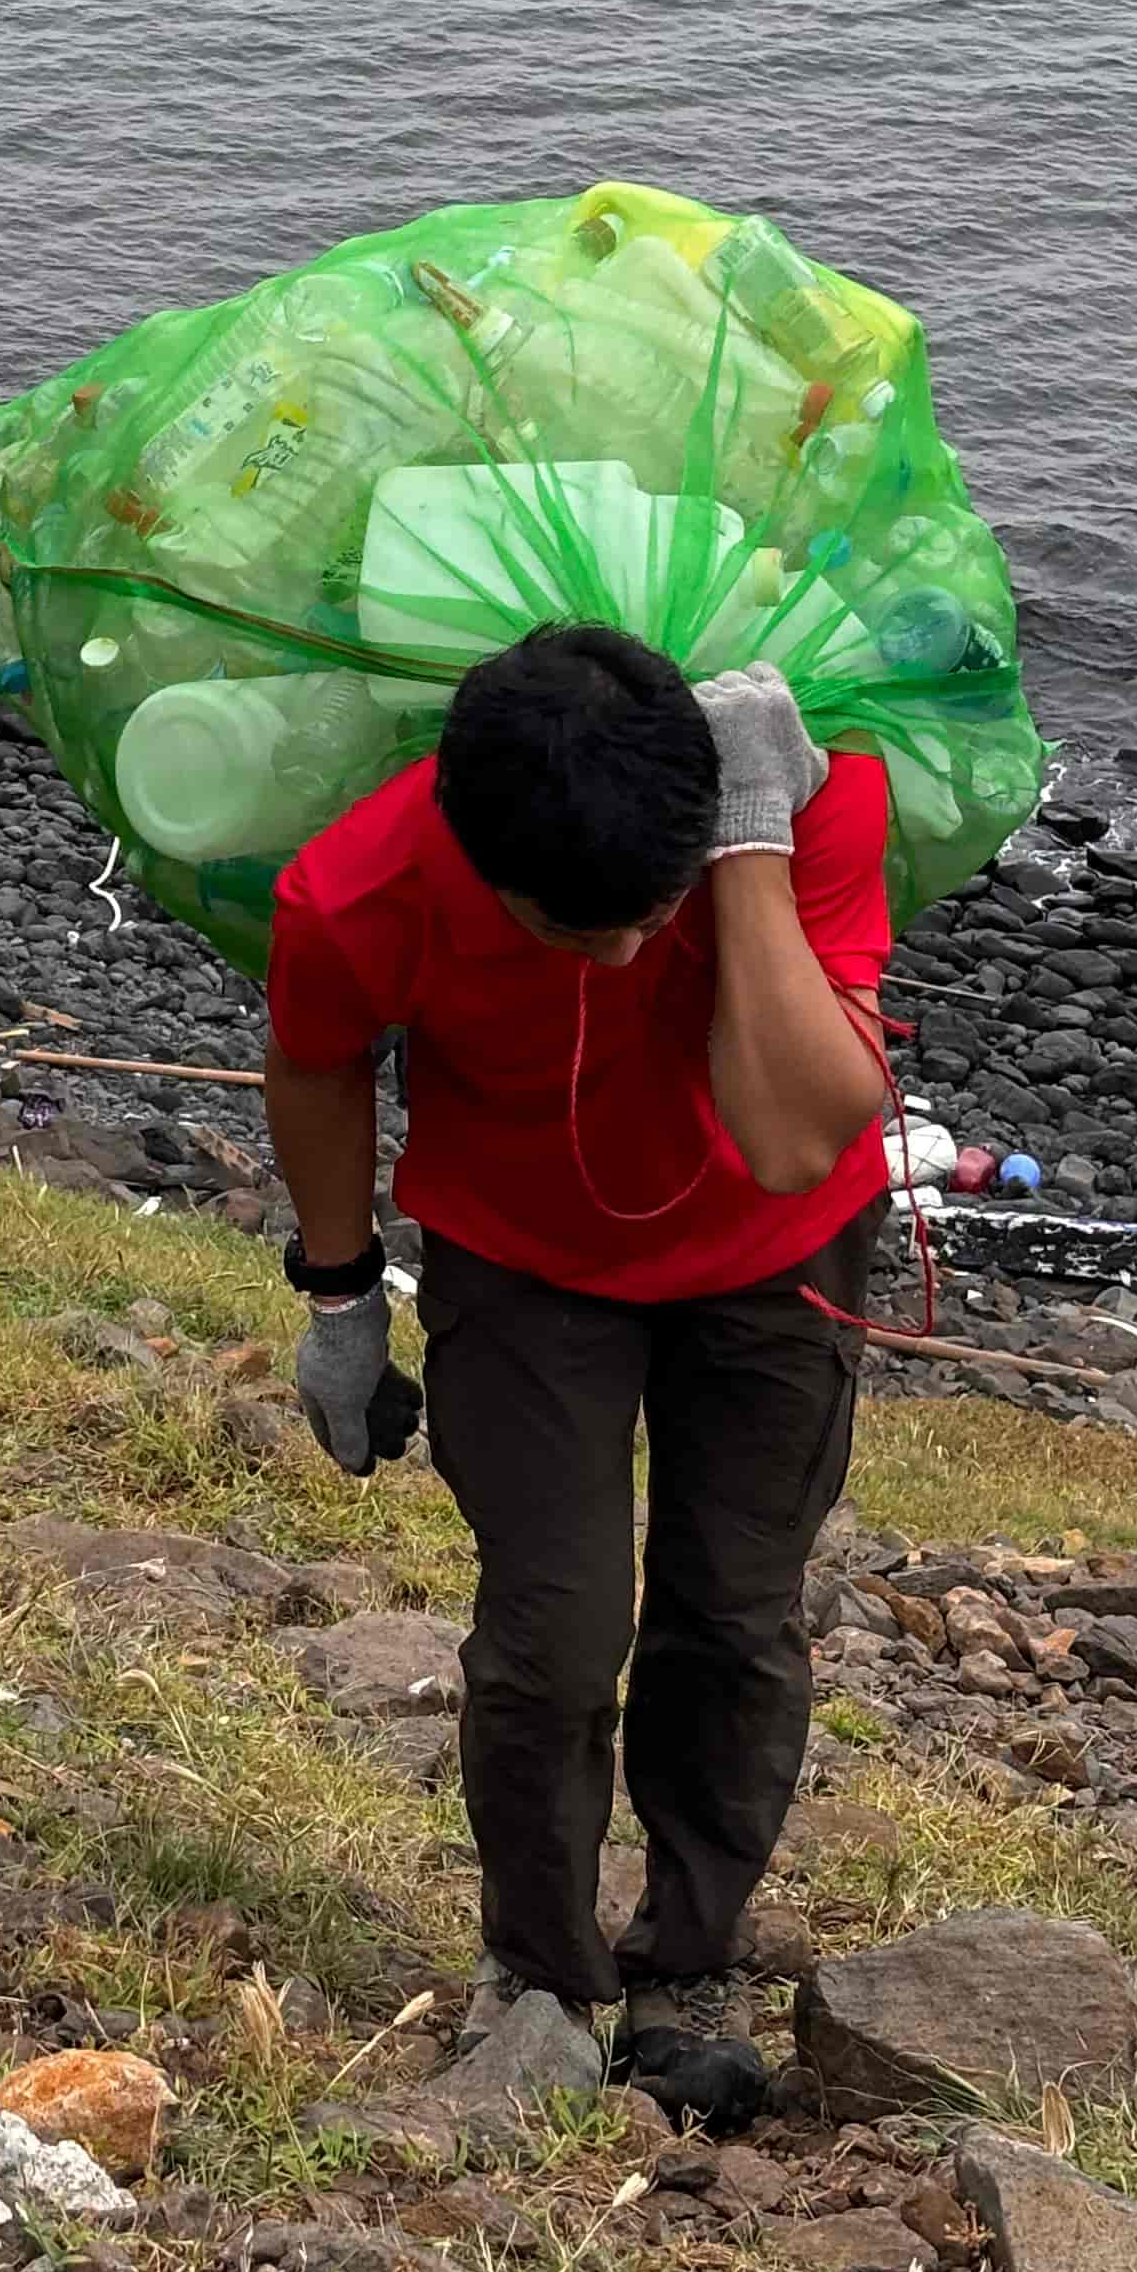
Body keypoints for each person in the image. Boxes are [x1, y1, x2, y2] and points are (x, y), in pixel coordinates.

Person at [264, 628, 893, 2134]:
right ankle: (539, 1972)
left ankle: (691, 1962)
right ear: (472, 851)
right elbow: (319, 1060)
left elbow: (797, 1135)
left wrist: (740, 847)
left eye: (645, 915)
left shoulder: (818, 804)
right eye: (573, 928)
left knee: (733, 1615)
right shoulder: (359, 885)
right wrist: (343, 1300)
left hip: (772, 1249)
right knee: (552, 1635)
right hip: (522, 1261)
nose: (617, 954)